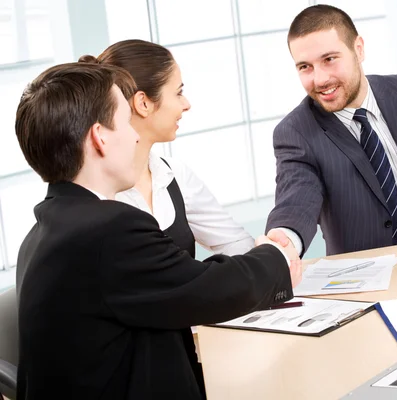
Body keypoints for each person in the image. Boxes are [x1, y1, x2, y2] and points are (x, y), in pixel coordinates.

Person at [15, 62, 301, 400]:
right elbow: (207, 288)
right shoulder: (110, 229)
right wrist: (277, 259)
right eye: (125, 123)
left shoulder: (39, 235)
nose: (136, 135)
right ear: (100, 137)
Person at [264, 4, 397, 259]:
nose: (319, 79)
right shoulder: (296, 133)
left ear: (358, 49)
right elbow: (296, 199)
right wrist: (283, 244)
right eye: (305, 67)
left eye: (329, 59)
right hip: (370, 281)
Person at [79, 39, 254, 257]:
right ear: (143, 103)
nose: (186, 104)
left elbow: (237, 242)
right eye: (178, 92)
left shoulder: (173, 174)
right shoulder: (96, 192)